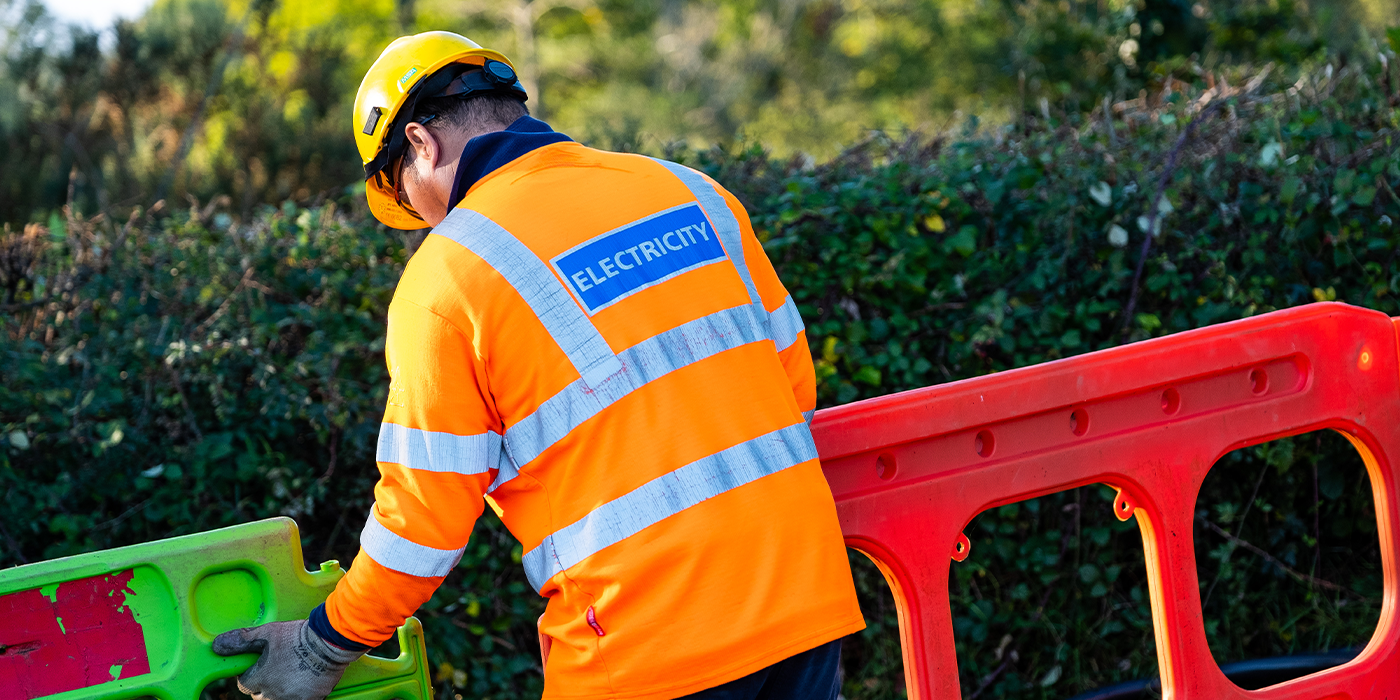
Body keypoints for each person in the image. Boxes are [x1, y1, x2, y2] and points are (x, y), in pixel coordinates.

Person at [213, 31, 864, 700]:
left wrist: (324, 644)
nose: (422, 219)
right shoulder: (691, 190)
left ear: (420, 145)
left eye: (407, 199)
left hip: (644, 640)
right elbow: (794, 387)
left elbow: (423, 519)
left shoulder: (447, 279)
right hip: (806, 600)